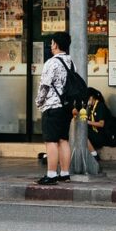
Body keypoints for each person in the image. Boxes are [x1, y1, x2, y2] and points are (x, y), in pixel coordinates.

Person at [35, 31, 74, 185]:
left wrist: (39, 102)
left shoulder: (51, 63)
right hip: (66, 107)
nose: (50, 46)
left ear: (56, 44)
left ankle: (51, 175)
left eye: (51, 43)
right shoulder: (71, 62)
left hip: (52, 106)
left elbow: (44, 85)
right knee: (63, 140)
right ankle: (65, 173)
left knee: (51, 141)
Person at [85, 88, 116, 158]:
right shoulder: (92, 108)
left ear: (91, 97)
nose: (87, 101)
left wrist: (87, 122)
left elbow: (101, 124)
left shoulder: (100, 106)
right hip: (97, 134)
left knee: (83, 132)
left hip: (103, 136)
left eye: (87, 99)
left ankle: (94, 154)